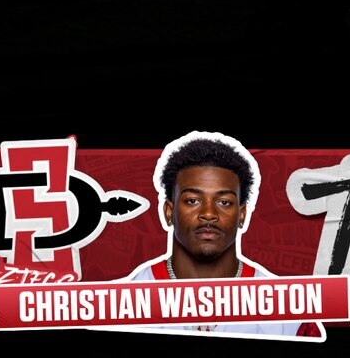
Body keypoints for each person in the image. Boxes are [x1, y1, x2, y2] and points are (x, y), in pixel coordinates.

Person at [122, 131, 324, 340]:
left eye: (224, 202)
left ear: (242, 215)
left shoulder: (288, 315)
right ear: (168, 212)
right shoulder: (123, 305)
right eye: (193, 200)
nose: (209, 213)